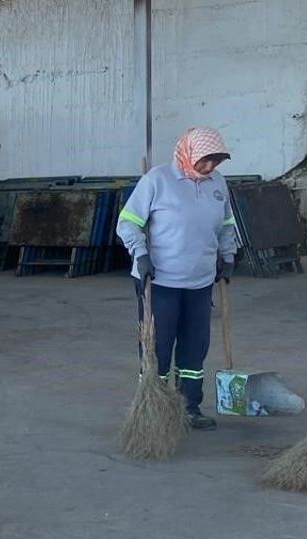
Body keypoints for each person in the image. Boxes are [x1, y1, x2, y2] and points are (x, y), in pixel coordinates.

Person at [116, 126, 239, 430]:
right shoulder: (157, 180)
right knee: (157, 348)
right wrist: (140, 254)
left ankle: (189, 407)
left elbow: (226, 224)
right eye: (205, 160)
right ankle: (155, 408)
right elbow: (127, 222)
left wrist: (228, 256)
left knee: (194, 348)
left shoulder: (218, 183)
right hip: (159, 282)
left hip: (200, 281)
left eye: (216, 161)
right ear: (188, 153)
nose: (209, 167)